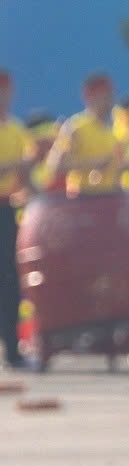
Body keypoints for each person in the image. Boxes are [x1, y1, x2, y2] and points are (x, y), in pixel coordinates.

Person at [37, 73, 129, 196]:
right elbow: (55, 165)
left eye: (111, 94)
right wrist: (92, 164)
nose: (111, 99)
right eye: (105, 95)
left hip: (109, 198)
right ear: (90, 97)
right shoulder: (76, 127)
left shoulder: (113, 128)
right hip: (82, 199)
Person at [0, 71, 31, 369]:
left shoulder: (17, 130)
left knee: (9, 281)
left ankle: (13, 349)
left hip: (7, 210)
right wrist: (12, 167)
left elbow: (26, 174)